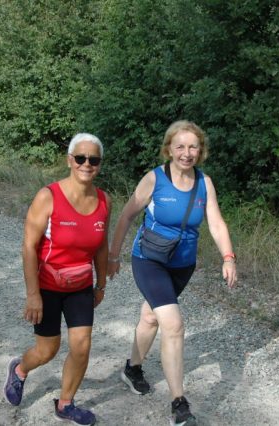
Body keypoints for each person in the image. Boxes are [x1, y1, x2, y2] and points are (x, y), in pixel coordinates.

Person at [107, 120, 237, 426]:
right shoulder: (155, 179)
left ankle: (132, 369)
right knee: (173, 324)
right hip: (149, 259)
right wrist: (113, 256)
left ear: (200, 151)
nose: (187, 153)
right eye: (180, 146)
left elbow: (216, 223)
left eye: (193, 147)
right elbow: (126, 216)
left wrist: (228, 257)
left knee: (152, 316)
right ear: (169, 149)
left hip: (182, 264)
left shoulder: (204, 183)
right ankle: (179, 406)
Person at [4, 133, 110, 426]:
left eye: (93, 159)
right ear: (69, 160)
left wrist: (100, 284)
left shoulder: (104, 201)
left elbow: (101, 246)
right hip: (47, 287)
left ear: (99, 164)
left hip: (80, 287)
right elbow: (28, 246)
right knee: (46, 351)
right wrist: (33, 294)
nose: (86, 164)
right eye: (80, 158)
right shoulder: (48, 196)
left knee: (82, 346)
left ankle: (65, 404)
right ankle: (20, 370)